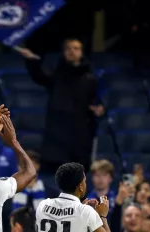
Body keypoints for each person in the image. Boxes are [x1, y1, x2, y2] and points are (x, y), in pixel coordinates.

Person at [17, 39, 102, 173]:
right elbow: (39, 75)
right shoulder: (56, 75)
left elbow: (96, 103)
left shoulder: (90, 79)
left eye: (75, 48)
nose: (71, 51)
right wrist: (31, 60)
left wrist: (99, 109)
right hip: (56, 140)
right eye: (68, 48)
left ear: (81, 53)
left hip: (79, 140)